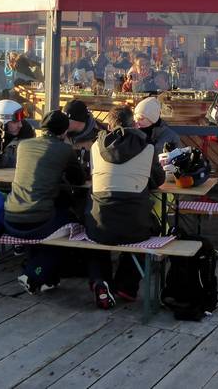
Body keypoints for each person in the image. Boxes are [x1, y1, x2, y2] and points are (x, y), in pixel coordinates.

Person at [85, 105, 164, 308]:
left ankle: (100, 279)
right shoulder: (148, 148)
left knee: (95, 229)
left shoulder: (95, 147)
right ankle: (127, 284)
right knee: (152, 228)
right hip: (135, 227)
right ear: (133, 124)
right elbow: (158, 180)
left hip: (101, 226)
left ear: (109, 126)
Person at [3, 110, 85, 294]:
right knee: (73, 230)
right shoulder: (65, 149)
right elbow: (78, 179)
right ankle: (33, 273)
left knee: (51, 214)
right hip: (37, 222)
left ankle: (48, 279)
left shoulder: (24, 145)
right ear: (64, 131)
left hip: (9, 217)